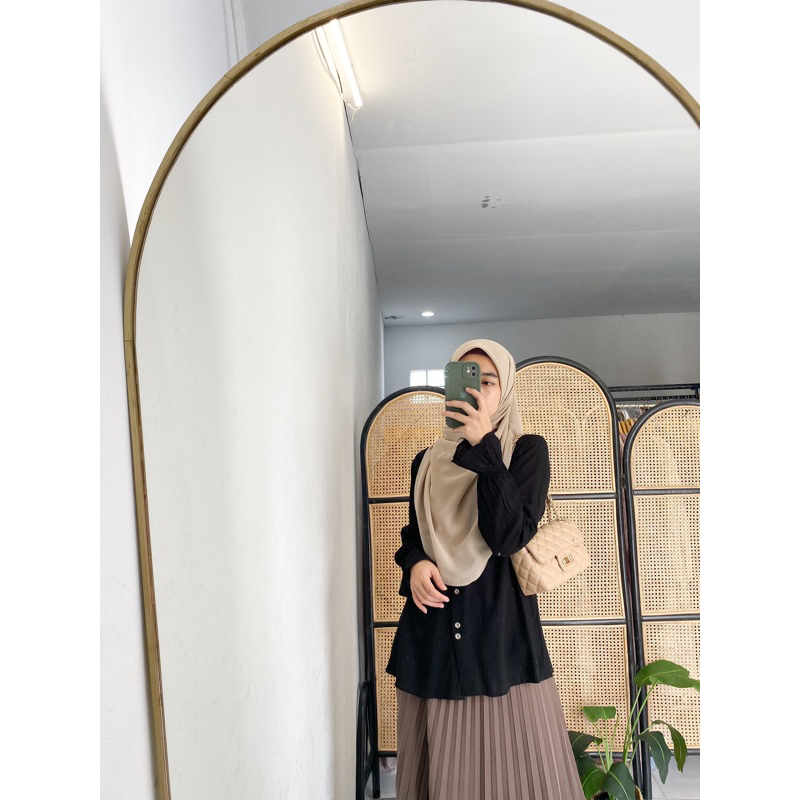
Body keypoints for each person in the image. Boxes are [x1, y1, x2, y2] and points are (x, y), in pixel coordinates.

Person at [385, 338, 583, 800]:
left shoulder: (526, 451)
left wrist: (485, 446)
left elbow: (508, 536)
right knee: (442, 773)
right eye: (465, 380)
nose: (476, 392)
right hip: (433, 633)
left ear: (506, 390)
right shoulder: (427, 462)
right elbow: (414, 535)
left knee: (517, 771)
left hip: (500, 638)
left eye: (488, 382)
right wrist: (415, 564)